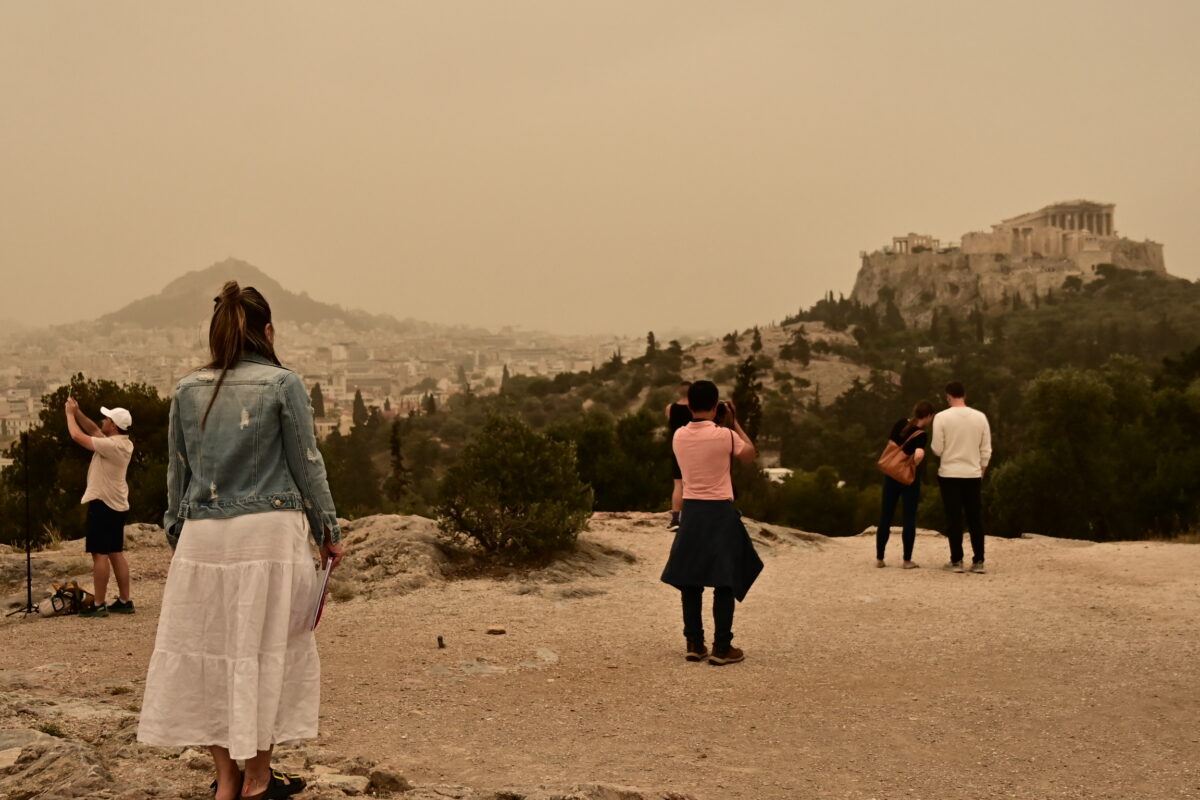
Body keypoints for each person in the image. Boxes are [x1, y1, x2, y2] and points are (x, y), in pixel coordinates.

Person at [137, 282, 345, 800]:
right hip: (269, 537)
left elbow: (176, 474)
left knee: (213, 655)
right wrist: (329, 531)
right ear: (267, 331)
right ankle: (258, 778)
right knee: (263, 651)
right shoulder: (282, 384)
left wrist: (178, 533)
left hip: (202, 539)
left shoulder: (187, 389)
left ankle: (226, 781)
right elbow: (307, 464)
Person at [660, 380, 763, 666]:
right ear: (716, 404)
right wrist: (734, 422)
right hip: (719, 511)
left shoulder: (679, 436)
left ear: (689, 404)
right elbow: (749, 455)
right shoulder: (726, 436)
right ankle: (722, 646)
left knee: (690, 580)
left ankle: (694, 643)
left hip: (691, 511)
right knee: (724, 580)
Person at [65, 399, 136, 617]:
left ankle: (98, 603)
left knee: (100, 554)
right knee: (115, 552)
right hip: (118, 505)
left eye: (107, 418)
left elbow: (78, 436)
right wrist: (78, 412)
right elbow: (94, 429)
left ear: (113, 426)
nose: (103, 420)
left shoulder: (111, 446)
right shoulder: (123, 443)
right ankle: (125, 600)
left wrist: (68, 415)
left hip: (103, 505)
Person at [931, 381, 992, 574]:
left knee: (954, 518)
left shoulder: (941, 417)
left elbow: (937, 449)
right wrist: (981, 469)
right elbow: (986, 449)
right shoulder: (980, 417)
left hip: (949, 473)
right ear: (964, 395)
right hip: (972, 474)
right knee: (975, 517)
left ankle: (956, 560)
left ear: (948, 395)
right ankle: (979, 560)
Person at [875, 401, 935, 569]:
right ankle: (907, 560)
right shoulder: (922, 435)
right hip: (907, 478)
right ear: (929, 416)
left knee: (886, 515)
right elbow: (918, 455)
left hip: (890, 475)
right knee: (909, 518)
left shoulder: (901, 423)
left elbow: (892, 442)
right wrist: (917, 459)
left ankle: (880, 558)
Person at [664, 381, 693, 530]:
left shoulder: (670, 408)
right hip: (694, 449)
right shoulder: (695, 409)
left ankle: (675, 519)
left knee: (678, 483)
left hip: (677, 448)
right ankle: (692, 518)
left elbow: (670, 424)